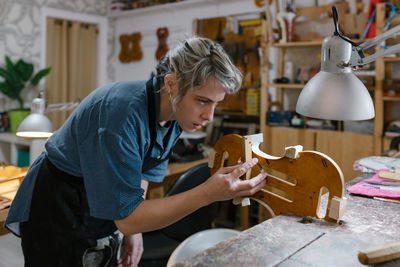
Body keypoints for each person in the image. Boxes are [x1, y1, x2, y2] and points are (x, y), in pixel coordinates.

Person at [5, 36, 267, 267]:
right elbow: (127, 218)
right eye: (202, 101)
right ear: (172, 84)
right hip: (60, 203)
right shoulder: (121, 115)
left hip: (99, 201)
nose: (209, 116)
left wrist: (134, 233)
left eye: (216, 104)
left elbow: (139, 175)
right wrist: (208, 193)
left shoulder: (175, 116)